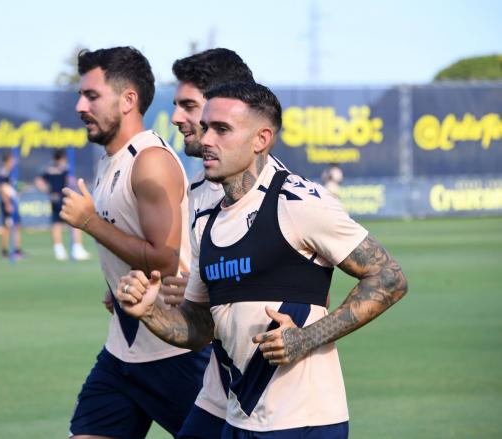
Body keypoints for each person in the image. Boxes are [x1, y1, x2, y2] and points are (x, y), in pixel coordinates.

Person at [115, 82, 408, 438]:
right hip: (239, 418)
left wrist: (306, 338)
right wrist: (149, 311)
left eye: (222, 129)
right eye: (206, 127)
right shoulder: (206, 218)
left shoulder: (298, 203)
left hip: (303, 422)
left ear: (261, 139)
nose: (207, 139)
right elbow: (199, 328)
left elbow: (389, 277)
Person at [60, 46, 208, 439]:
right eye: (81, 94)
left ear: (128, 100)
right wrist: (117, 284)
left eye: (91, 95)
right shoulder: (112, 159)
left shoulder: (150, 161)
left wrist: (88, 221)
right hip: (122, 353)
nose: (80, 105)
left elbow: (164, 257)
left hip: (174, 354)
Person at [166, 48, 288, 439]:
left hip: (270, 403)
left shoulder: (288, 199)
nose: (177, 118)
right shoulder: (201, 190)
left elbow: (302, 294)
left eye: (189, 106)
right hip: (217, 391)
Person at [34, 149, 90, 261]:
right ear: (63, 157)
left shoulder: (48, 169)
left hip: (54, 198)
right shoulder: (66, 168)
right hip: (65, 198)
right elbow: (71, 181)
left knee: (56, 224)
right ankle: (77, 248)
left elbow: (38, 181)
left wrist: (47, 190)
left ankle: (59, 250)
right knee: (76, 222)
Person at [0, 151, 23, 259]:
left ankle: (17, 250)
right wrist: (7, 204)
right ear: (7, 161)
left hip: (12, 202)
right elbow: (2, 189)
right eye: (12, 160)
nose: (14, 162)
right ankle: (4, 251)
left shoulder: (10, 172)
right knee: (7, 227)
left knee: (16, 226)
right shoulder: (3, 172)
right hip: (8, 203)